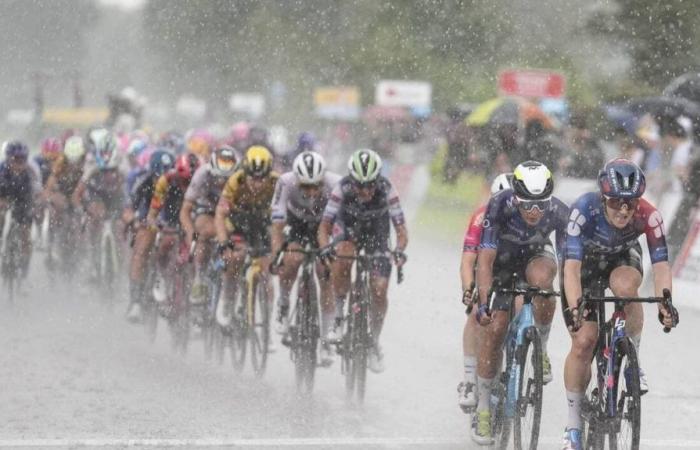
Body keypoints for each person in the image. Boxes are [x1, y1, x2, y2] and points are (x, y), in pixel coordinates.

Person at [560, 159, 677, 450]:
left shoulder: (649, 216)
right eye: (615, 202)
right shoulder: (584, 209)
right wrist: (575, 309)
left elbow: (661, 266)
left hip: (621, 258)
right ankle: (573, 426)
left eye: (630, 203)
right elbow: (571, 270)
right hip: (583, 265)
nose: (624, 210)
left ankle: (631, 359)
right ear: (603, 197)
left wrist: (666, 303)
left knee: (627, 287)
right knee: (584, 341)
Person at [472, 161, 568, 445]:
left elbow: (569, 264)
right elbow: (485, 260)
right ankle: (484, 407)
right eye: (527, 205)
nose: (534, 212)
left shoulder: (559, 210)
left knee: (543, 283)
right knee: (495, 329)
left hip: (538, 254)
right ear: (515, 197)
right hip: (504, 260)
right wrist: (483, 302)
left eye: (540, 205)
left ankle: (542, 348)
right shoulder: (500, 204)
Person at [317, 149, 408, 374]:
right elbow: (325, 226)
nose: (365, 191)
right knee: (343, 256)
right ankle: (339, 317)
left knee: (379, 289)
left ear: (378, 179)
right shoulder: (342, 188)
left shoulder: (387, 189)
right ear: (352, 180)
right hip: (348, 231)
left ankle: (374, 342)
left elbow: (401, 230)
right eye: (360, 185)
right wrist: (325, 248)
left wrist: (398, 250)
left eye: (370, 185)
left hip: (377, 235)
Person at [270, 151, 341, 364]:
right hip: (297, 223)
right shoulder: (285, 182)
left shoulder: (335, 184)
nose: (311, 193)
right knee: (291, 260)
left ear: (323, 179)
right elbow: (277, 224)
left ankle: (327, 339)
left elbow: (341, 224)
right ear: (296, 180)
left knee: (325, 274)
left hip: (324, 225)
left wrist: (332, 251)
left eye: (315, 186)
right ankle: (283, 304)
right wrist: (276, 255)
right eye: (305, 187)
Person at [457, 172, 512, 412]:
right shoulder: (481, 216)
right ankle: (470, 378)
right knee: (476, 315)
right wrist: (469, 289)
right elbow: (468, 262)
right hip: (486, 268)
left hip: (511, 267)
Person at [214, 146, 279, 327]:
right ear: (245, 173)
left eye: (262, 179)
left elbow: (282, 219)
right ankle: (227, 300)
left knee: (267, 271)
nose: (257, 184)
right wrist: (223, 242)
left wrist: (278, 248)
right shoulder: (236, 181)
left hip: (262, 223)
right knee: (236, 257)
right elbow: (220, 214)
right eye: (253, 178)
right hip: (238, 223)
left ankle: (267, 323)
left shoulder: (277, 182)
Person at [180, 145, 240, 304]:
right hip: (207, 210)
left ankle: (231, 288)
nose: (221, 184)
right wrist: (190, 233)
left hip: (230, 213)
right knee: (204, 230)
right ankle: (199, 276)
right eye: (218, 179)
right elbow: (185, 210)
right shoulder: (202, 174)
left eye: (226, 180)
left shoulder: (241, 177)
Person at [124, 149, 175, 321]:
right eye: (157, 178)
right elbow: (129, 208)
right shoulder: (143, 182)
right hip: (147, 221)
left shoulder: (176, 184)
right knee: (141, 249)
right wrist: (133, 221)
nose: (161, 182)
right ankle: (136, 301)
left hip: (169, 224)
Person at [71, 128, 125, 282]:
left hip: (116, 199)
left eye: (111, 171)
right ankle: (92, 257)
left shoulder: (122, 170)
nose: (108, 174)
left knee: (121, 227)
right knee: (95, 216)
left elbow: (130, 195)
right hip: (97, 198)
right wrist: (81, 210)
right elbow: (77, 194)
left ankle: (121, 261)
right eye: (104, 171)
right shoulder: (91, 169)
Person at [146, 153, 200, 304]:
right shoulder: (166, 180)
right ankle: (160, 275)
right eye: (183, 181)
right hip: (169, 220)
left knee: (198, 248)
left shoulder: (202, 182)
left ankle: (197, 281)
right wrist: (154, 224)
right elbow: (153, 212)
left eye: (189, 182)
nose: (185, 186)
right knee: (165, 243)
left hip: (192, 220)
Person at [0, 141, 42, 278]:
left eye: (22, 160)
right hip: (4, 193)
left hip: (24, 197)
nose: (19, 164)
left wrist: (36, 207)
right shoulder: (2, 168)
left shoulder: (31, 170)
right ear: (8, 158)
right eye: (15, 160)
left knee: (25, 233)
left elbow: (37, 193)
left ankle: (24, 268)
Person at [44, 136, 87, 265]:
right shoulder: (60, 162)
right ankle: (51, 247)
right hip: (63, 191)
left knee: (84, 217)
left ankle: (84, 247)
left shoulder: (88, 163)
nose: (74, 164)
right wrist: (51, 197)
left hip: (79, 193)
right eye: (70, 160)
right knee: (55, 213)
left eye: (77, 160)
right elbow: (51, 183)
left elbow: (88, 185)